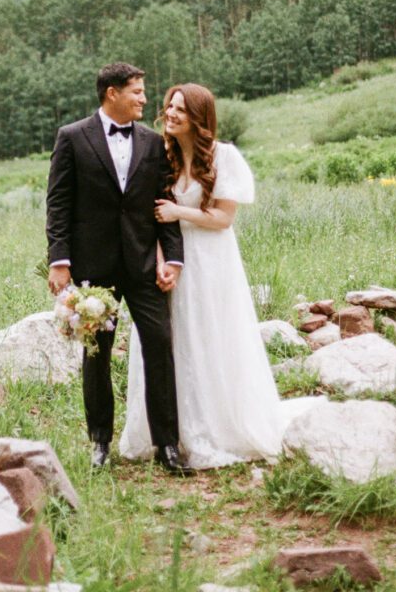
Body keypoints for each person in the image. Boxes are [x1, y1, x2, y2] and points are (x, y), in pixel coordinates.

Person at [120, 83, 302, 469]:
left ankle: (215, 427)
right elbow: (150, 217)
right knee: (169, 341)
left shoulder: (224, 157)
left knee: (209, 337)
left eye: (180, 110)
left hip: (211, 260)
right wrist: (161, 261)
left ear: (198, 118)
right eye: (169, 106)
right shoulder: (161, 155)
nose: (170, 114)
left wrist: (179, 213)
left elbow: (223, 219)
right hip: (171, 258)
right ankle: (168, 434)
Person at [46, 62, 190, 473]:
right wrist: (59, 260)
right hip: (95, 268)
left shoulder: (152, 142)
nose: (146, 98)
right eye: (138, 91)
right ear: (112, 93)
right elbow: (58, 203)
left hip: (144, 263)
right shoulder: (72, 138)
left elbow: (164, 205)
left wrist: (173, 259)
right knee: (98, 357)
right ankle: (99, 443)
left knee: (160, 344)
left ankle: (167, 446)